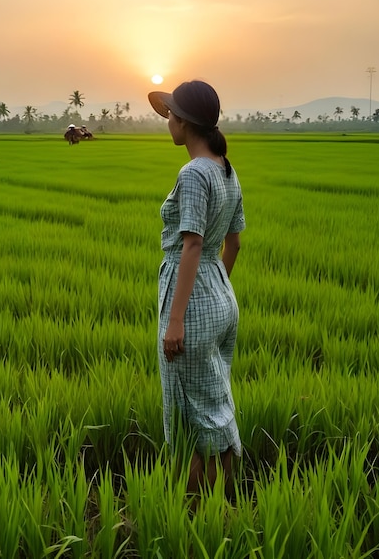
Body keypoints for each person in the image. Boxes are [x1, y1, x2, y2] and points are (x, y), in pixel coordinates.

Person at [148, 79, 245, 501]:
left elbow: (190, 244)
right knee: (216, 409)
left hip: (189, 302)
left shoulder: (193, 172)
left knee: (191, 421)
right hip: (221, 296)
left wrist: (177, 319)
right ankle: (224, 507)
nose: (167, 120)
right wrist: (213, 290)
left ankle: (191, 518)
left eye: (171, 114)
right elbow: (234, 243)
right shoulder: (226, 168)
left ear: (185, 122)